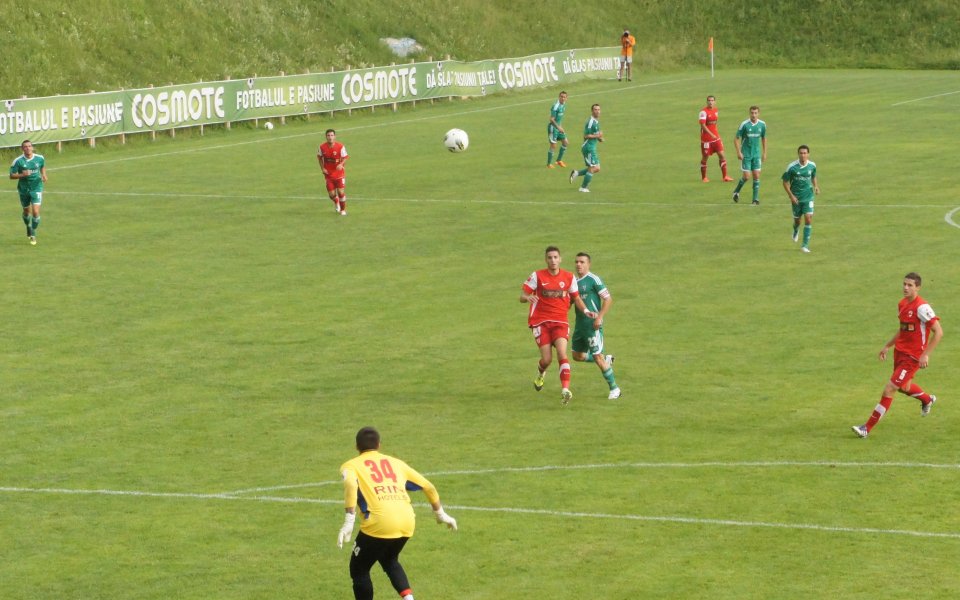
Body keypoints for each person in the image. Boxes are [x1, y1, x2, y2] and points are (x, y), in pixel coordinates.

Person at [337, 426, 458, 600]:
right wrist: (441, 514)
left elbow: (350, 485)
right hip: (407, 521)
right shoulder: (396, 463)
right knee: (389, 559)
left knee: (359, 570)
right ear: (379, 445)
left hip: (379, 524)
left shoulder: (350, 465)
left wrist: (349, 521)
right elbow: (428, 486)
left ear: (357, 447)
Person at [852, 273, 943, 438]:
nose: (905, 288)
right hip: (900, 353)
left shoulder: (922, 307)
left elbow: (939, 332)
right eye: (904, 284)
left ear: (918, 288)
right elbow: (903, 329)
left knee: (889, 389)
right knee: (904, 387)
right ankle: (927, 400)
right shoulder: (902, 304)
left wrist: (925, 355)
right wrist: (888, 345)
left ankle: (866, 428)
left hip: (912, 357)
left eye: (910, 285)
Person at [520, 246, 596, 405]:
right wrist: (527, 298)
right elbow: (522, 295)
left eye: (555, 257)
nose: (553, 260)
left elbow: (576, 298)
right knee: (547, 360)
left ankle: (565, 390)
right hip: (540, 322)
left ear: (560, 259)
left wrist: (587, 311)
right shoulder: (538, 276)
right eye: (550, 257)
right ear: (546, 260)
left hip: (560, 322)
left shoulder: (569, 277)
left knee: (562, 354)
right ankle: (541, 373)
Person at [571, 252, 621, 399]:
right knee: (577, 356)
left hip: (592, 325)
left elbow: (608, 298)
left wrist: (599, 317)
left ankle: (615, 389)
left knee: (597, 356)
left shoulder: (593, 279)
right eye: (576, 262)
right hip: (579, 326)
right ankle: (606, 360)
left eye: (582, 262)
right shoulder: (573, 282)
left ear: (588, 264)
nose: (578, 264)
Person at [781, 145, 820, 253]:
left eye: (805, 153)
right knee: (797, 220)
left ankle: (804, 245)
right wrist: (791, 196)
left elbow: (813, 176)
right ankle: (795, 229)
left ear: (808, 154)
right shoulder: (792, 167)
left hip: (808, 197)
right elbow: (785, 182)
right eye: (801, 153)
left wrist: (816, 186)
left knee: (808, 218)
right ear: (798, 154)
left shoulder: (812, 165)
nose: (803, 155)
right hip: (796, 198)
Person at [9, 139, 47, 245]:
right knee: (26, 212)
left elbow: (42, 166)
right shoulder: (18, 161)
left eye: (29, 146)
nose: (28, 148)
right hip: (24, 189)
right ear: (22, 149)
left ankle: (33, 232)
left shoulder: (40, 158)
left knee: (35, 211)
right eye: (25, 146)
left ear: (32, 147)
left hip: (37, 187)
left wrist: (44, 175)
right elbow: (11, 175)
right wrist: (22, 175)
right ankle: (28, 226)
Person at [732, 106, 767, 205]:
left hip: (756, 154)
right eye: (752, 113)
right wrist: (739, 152)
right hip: (746, 154)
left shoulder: (762, 125)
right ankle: (736, 191)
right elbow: (736, 138)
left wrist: (764, 153)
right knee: (747, 176)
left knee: (756, 175)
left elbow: (764, 138)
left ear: (758, 113)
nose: (753, 115)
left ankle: (755, 199)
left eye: (755, 113)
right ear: (749, 113)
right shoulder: (744, 125)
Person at [698, 95, 733, 183]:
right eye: (709, 100)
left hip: (716, 138)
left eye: (712, 100)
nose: (710, 102)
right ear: (707, 102)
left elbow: (714, 124)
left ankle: (725, 176)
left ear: (715, 102)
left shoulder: (716, 111)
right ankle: (704, 178)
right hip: (706, 140)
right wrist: (711, 134)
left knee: (722, 155)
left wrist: (716, 134)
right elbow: (703, 125)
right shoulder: (703, 112)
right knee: (705, 158)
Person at [569, 104, 602, 193]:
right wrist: (597, 135)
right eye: (595, 109)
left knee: (597, 168)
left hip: (592, 147)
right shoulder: (591, 122)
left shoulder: (596, 122)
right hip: (588, 147)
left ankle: (576, 173)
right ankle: (583, 187)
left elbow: (596, 134)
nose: (597, 111)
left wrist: (599, 138)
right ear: (592, 111)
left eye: (599, 109)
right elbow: (586, 135)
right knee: (592, 168)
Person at [318, 128, 349, 215]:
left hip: (339, 174)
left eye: (332, 135)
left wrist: (341, 164)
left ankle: (343, 210)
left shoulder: (340, 146)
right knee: (331, 195)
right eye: (328, 135)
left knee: (341, 192)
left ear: (335, 136)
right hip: (328, 174)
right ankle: (336, 202)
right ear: (326, 137)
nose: (330, 137)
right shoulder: (322, 147)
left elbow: (345, 157)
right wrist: (322, 168)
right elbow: (319, 158)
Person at [546, 91, 569, 169]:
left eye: (564, 97)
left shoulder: (564, 105)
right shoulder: (556, 106)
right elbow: (551, 119)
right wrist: (558, 127)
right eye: (561, 97)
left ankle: (559, 160)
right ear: (559, 97)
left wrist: (560, 126)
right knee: (553, 145)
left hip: (558, 127)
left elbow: (559, 119)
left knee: (565, 142)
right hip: (553, 128)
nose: (562, 98)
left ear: (566, 98)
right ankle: (549, 164)